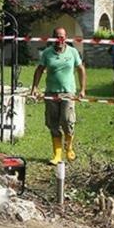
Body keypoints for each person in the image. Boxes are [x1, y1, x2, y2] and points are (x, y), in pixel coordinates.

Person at [29, 27, 86, 164]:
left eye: (62, 36)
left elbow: (81, 69)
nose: (60, 39)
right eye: (57, 36)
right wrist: (34, 88)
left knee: (67, 121)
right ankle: (57, 155)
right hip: (51, 93)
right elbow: (39, 70)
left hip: (68, 93)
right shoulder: (47, 53)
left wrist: (82, 89)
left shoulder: (72, 52)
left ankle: (69, 148)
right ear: (53, 37)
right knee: (53, 123)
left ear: (65, 38)